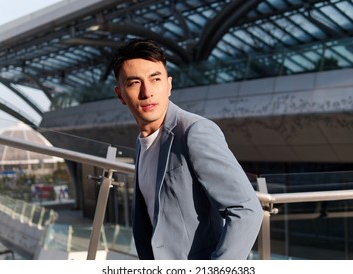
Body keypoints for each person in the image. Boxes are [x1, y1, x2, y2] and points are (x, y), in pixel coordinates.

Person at [112, 38, 263, 260]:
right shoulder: (142, 142)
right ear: (120, 95)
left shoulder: (194, 131)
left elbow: (247, 210)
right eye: (134, 83)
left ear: (169, 85)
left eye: (155, 79)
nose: (147, 92)